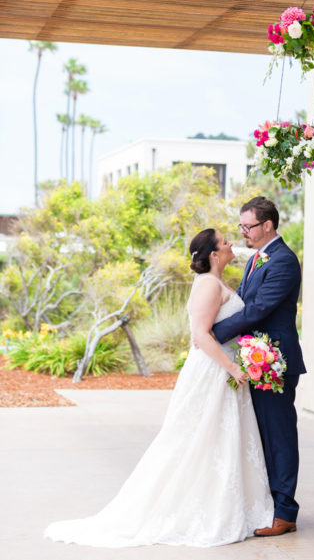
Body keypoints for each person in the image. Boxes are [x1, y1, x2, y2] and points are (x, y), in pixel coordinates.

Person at [44, 228, 273, 548]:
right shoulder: (208, 284)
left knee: (218, 439)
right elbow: (202, 335)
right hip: (213, 371)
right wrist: (234, 367)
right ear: (214, 254)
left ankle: (226, 503)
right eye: (225, 241)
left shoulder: (216, 282)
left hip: (222, 370)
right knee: (195, 439)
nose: (231, 243)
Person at [212, 196, 306, 537]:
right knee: (260, 436)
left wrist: (212, 334)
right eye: (241, 226)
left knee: (279, 435)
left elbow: (257, 311)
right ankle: (267, 507)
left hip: (275, 361)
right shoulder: (258, 259)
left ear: (267, 225)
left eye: (247, 226)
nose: (242, 233)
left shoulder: (283, 261)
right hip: (255, 358)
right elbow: (241, 302)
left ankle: (285, 513)